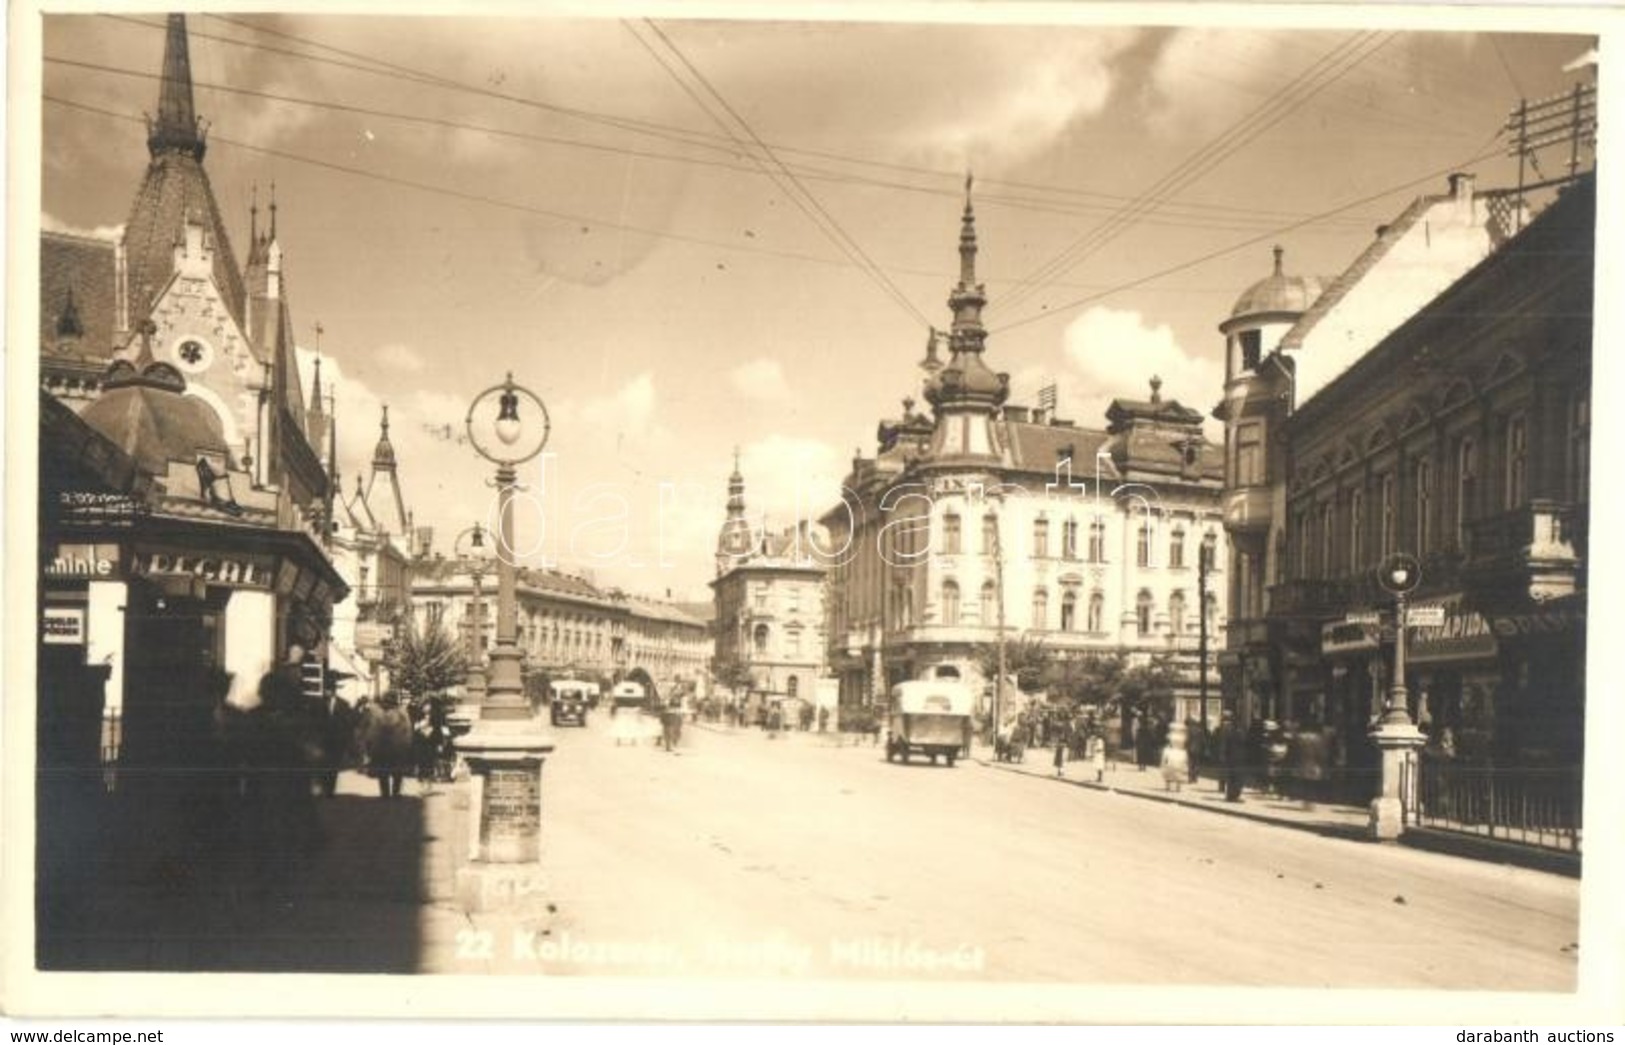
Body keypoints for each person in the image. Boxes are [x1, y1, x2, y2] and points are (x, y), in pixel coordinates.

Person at [362, 693, 414, 798]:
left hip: (391, 746)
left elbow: (407, 729)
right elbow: (408, 730)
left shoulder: (396, 713)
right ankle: (392, 792)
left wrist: (370, 743)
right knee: (390, 771)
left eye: (388, 701)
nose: (387, 704)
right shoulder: (396, 713)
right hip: (390, 746)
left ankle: (389, 793)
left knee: (390, 771)